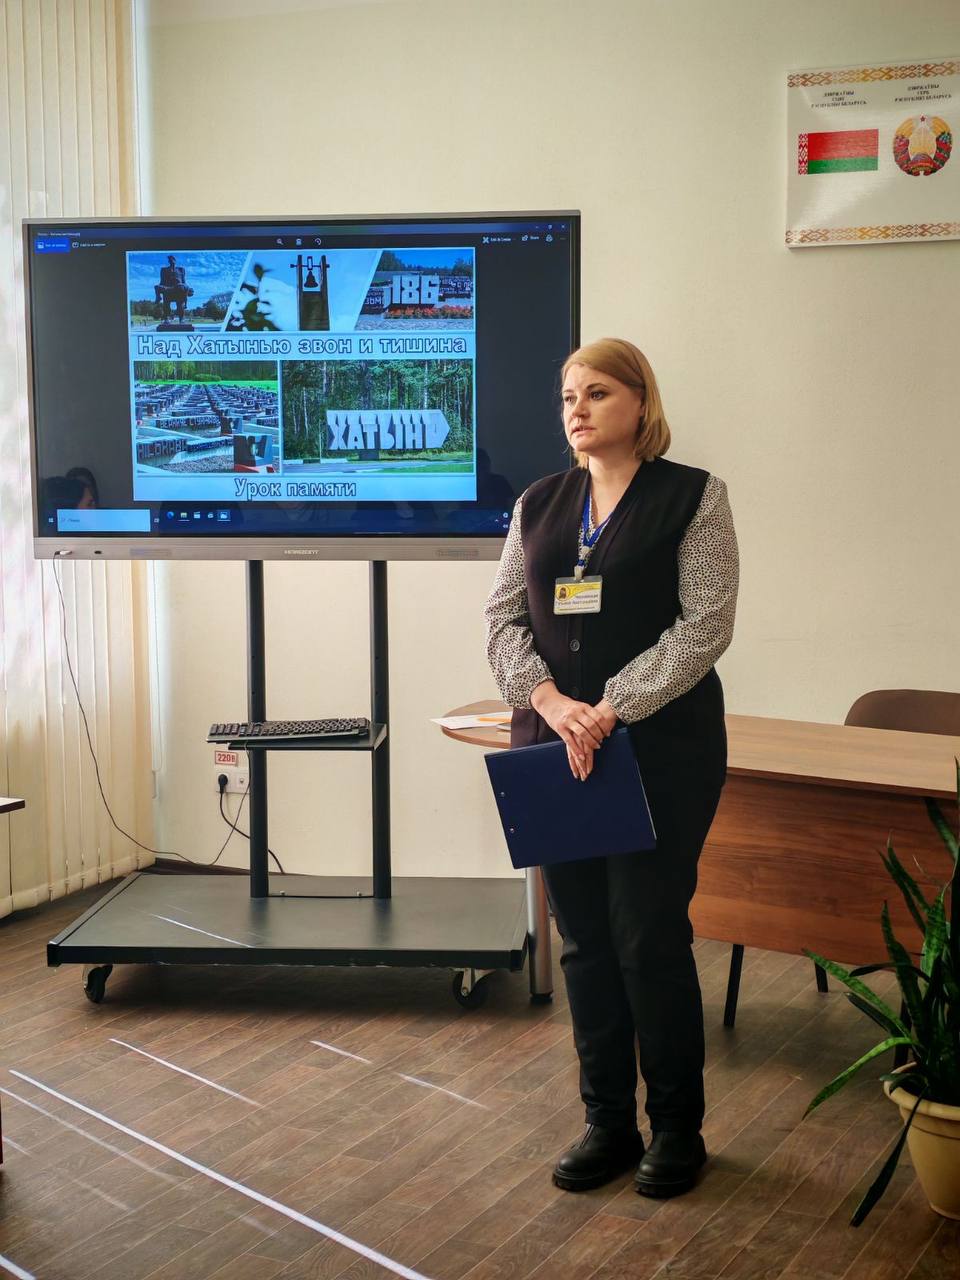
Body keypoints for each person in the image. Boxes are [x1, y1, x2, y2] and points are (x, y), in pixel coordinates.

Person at [484, 337, 738, 1198]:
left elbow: (705, 626)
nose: (578, 410)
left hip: (660, 751)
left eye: (596, 393)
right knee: (586, 942)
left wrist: (612, 707)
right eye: (568, 397)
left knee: (648, 937)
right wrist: (552, 703)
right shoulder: (537, 503)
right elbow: (502, 620)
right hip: (553, 751)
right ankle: (607, 1124)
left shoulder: (694, 497)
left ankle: (677, 1129)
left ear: (640, 402)